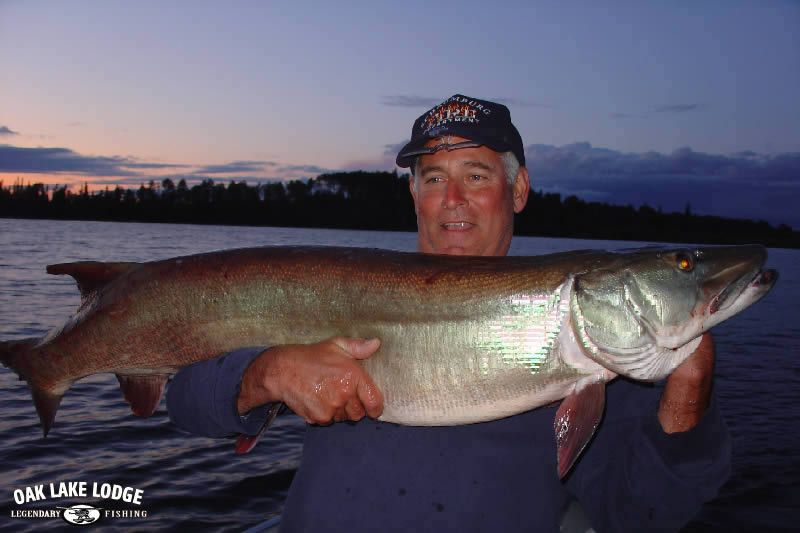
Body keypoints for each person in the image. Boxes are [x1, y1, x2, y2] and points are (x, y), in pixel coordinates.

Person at [167, 94, 731, 532]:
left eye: (476, 176)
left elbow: (642, 516)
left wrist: (688, 393)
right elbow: (183, 401)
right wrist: (266, 374)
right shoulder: (340, 293)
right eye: (434, 178)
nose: (452, 199)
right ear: (414, 194)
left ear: (518, 189)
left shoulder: (603, 356)